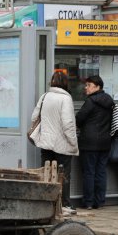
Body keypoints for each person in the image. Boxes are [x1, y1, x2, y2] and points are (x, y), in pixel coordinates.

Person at [30, 72, 79, 212]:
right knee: (63, 174)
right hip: (62, 144)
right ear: (65, 83)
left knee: (46, 172)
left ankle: (46, 203)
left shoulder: (44, 96)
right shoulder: (66, 99)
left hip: (45, 142)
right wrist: (73, 143)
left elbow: (34, 117)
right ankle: (64, 204)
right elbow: (68, 123)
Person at [75, 75, 113, 210]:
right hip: (105, 141)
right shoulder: (109, 100)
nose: (86, 88)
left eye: (89, 85)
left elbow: (79, 119)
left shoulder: (91, 101)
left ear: (97, 87)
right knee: (101, 172)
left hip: (89, 142)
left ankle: (88, 202)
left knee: (89, 172)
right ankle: (100, 201)